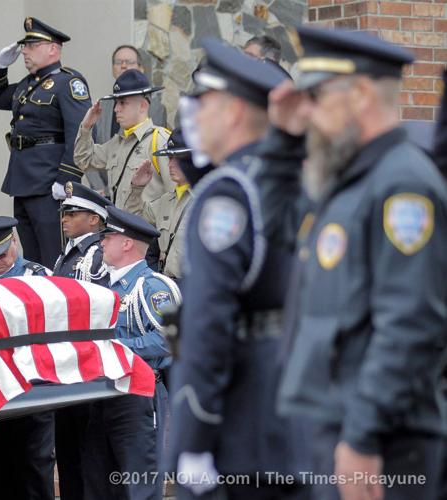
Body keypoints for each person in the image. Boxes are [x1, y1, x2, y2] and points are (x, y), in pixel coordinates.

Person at [256, 26, 447, 500]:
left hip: (383, 438)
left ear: (360, 93)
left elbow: (409, 326)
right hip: (335, 421)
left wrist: (363, 437)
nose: (310, 113)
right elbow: (279, 225)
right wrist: (282, 137)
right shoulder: (348, 179)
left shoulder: (401, 185)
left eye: (317, 98)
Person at [168, 38, 311, 500]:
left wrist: (193, 435)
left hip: (242, 425)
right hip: (297, 416)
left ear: (232, 113)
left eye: (203, 105)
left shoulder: (227, 193)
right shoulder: (296, 180)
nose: (195, 119)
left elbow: (209, 321)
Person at [83, 205, 179, 500]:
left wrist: (115, 350)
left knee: (140, 485)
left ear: (126, 243)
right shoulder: (99, 286)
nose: (101, 242)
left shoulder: (153, 286)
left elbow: (169, 340)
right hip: (99, 393)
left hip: (137, 395)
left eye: (107, 236)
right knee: (99, 485)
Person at [0, 17, 91, 268]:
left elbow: (79, 132)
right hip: (22, 180)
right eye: (25, 45)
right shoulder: (27, 84)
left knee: (53, 255)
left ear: (53, 49)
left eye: (32, 45)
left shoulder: (69, 82)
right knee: (32, 258)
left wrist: (67, 178)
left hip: (48, 182)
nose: (24, 51)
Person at [0, 215, 54, 500]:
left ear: (14, 242)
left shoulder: (38, 277)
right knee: (1, 465)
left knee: (35, 465)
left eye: (1, 254)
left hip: (33, 386)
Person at [50, 182, 109, 500]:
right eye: (64, 213)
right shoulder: (67, 256)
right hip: (65, 367)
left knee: (88, 456)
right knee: (68, 453)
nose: (64, 219)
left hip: (86, 366)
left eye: (73, 213)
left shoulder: (97, 254)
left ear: (95, 219)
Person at [74, 69, 173, 211]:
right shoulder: (117, 143)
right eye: (116, 103)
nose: (116, 109)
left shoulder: (160, 140)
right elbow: (83, 160)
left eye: (123, 103)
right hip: (120, 229)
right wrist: (86, 126)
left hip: (148, 229)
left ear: (143, 106)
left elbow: (176, 194)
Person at [125, 129, 194, 279]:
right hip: (167, 285)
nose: (170, 164)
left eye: (178, 157)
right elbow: (132, 219)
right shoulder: (166, 201)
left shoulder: (207, 201)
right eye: (169, 157)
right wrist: (137, 188)